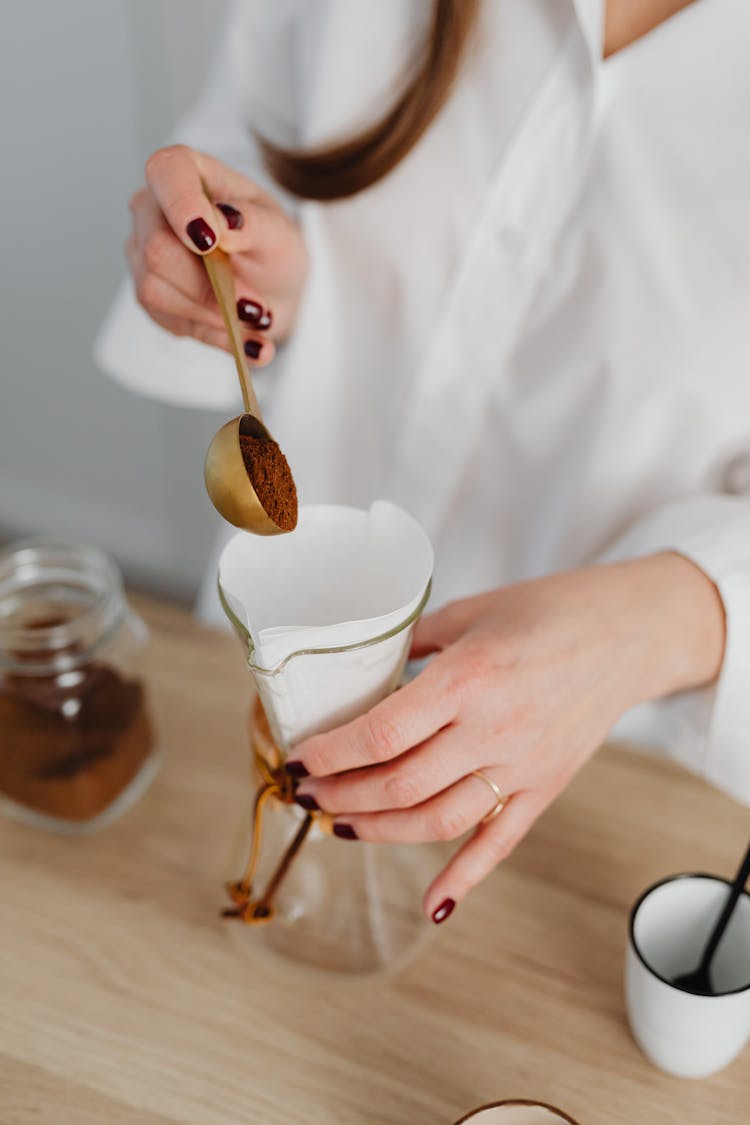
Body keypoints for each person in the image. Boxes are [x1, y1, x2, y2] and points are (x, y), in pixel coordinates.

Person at [96, 0, 750, 924]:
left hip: (605, 794)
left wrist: (659, 621)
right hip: (262, 686)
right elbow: (248, 180)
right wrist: (249, 282)